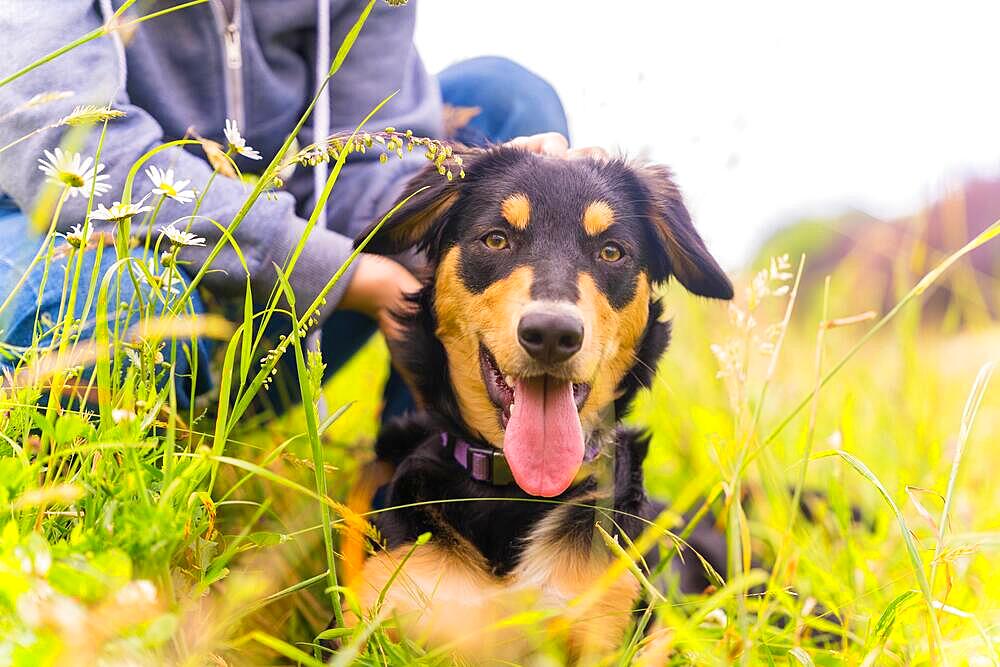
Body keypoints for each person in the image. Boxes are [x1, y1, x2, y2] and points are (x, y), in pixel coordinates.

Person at [0, 1, 576, 417]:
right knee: (110, 304)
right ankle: (94, 519)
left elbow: (364, 164)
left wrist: (475, 198)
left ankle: (425, 485)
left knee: (507, 104)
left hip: (291, 299)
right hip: (79, 246)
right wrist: (337, 272)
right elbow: (72, 157)